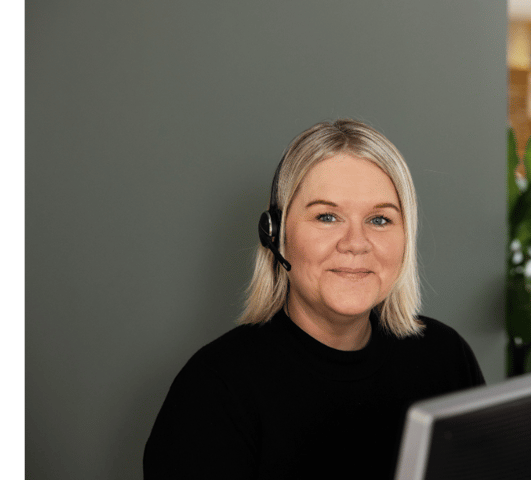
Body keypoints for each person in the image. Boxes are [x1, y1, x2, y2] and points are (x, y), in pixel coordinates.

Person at [143, 119, 485, 479]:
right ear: (275, 235)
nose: (355, 243)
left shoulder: (446, 358)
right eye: (327, 216)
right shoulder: (214, 389)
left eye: (379, 220)